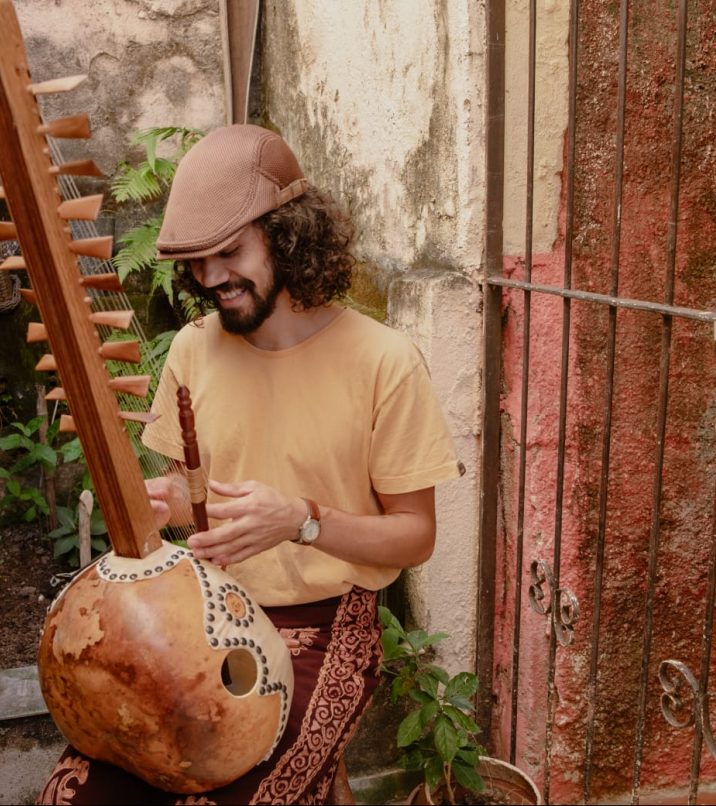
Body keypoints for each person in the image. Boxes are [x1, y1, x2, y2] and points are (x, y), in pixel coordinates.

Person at [37, 124, 462, 805]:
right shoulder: (193, 351)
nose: (211, 279)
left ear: (290, 235)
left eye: (229, 251)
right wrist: (163, 504)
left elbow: (415, 536)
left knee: (227, 792)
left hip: (324, 619)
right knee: (80, 793)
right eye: (198, 262)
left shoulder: (384, 361)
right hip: (201, 616)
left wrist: (303, 520)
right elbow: (190, 493)